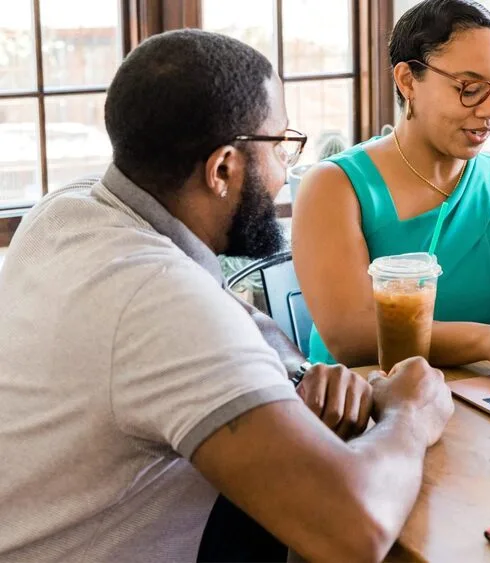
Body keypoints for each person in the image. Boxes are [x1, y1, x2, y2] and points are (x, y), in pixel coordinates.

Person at [0, 29, 453, 561]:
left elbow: (222, 316)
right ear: (222, 169)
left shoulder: (70, 210)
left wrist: (296, 376)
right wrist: (410, 415)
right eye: (281, 146)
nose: (287, 172)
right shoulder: (155, 298)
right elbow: (354, 529)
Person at [292, 0, 490, 368]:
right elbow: (351, 335)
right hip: (374, 414)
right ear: (408, 80)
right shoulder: (335, 186)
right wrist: (486, 341)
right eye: (470, 88)